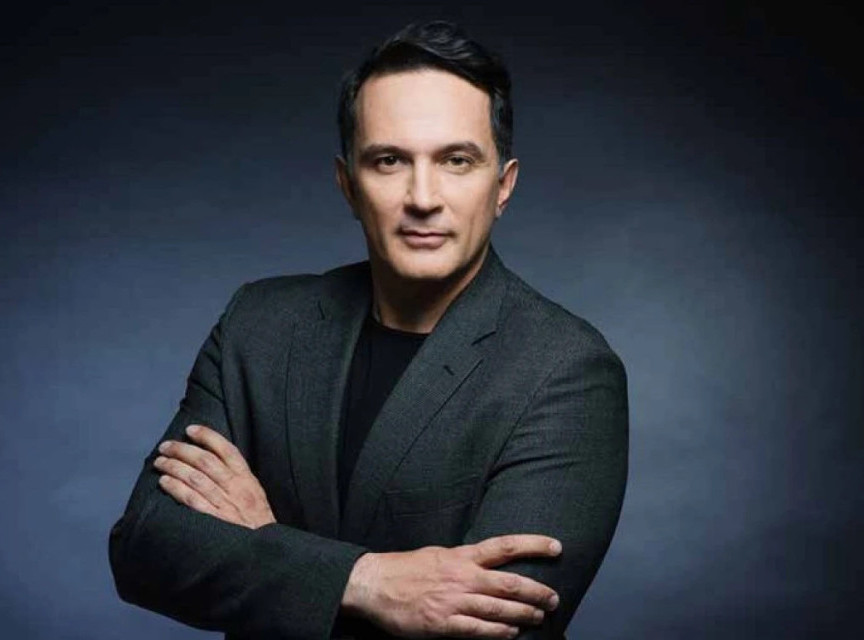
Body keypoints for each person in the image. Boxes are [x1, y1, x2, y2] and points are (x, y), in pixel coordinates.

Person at [108, 20, 628, 640]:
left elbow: (493, 633)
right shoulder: (259, 325)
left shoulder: (566, 370)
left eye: (457, 161)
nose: (423, 197)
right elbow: (144, 547)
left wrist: (264, 544)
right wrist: (368, 582)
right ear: (348, 185)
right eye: (389, 160)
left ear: (503, 186)